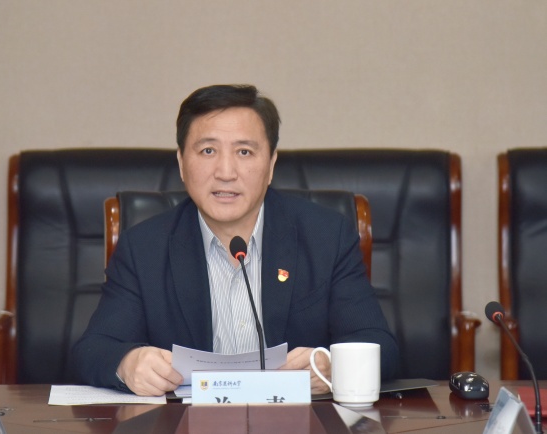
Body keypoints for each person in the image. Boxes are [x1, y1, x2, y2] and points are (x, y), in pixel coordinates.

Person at [72, 84, 399, 396]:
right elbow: (94, 349)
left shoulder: (326, 237)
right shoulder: (144, 248)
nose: (226, 172)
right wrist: (128, 364)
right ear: (182, 163)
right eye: (208, 150)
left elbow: (380, 345)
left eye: (244, 151)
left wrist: (330, 366)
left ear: (271, 164)